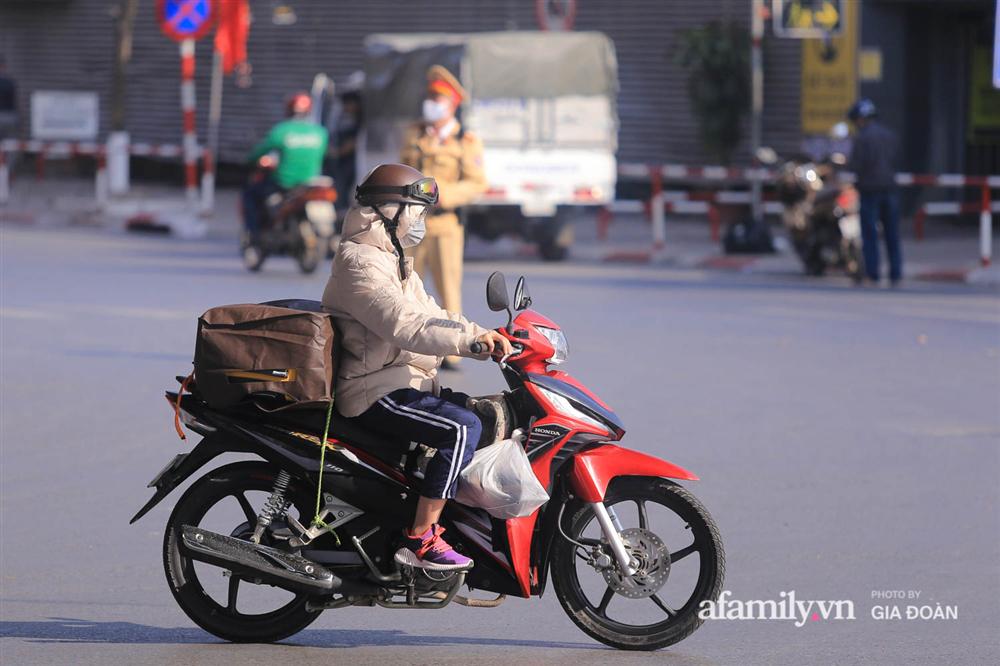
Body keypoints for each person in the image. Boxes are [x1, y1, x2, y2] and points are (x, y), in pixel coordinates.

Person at [321, 163, 512, 571]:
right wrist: (468, 343)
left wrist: (487, 335)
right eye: (416, 211)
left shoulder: (394, 259)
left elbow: (433, 313)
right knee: (462, 429)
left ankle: (439, 519)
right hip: (374, 388)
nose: (421, 222)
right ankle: (419, 539)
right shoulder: (360, 262)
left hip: (406, 380)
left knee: (493, 417)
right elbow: (404, 325)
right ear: (388, 212)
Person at [400, 65, 487, 369]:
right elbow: (402, 170)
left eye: (438, 98)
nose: (431, 103)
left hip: (445, 225)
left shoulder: (465, 141)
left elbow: (477, 182)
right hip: (411, 223)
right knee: (405, 285)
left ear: (452, 105)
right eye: (430, 97)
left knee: (448, 290)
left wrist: (445, 194)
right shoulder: (414, 133)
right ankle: (407, 346)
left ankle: (451, 350)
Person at [243, 92, 328, 244]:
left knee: (250, 194)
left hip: (284, 182)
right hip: (311, 182)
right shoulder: (320, 133)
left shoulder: (282, 131)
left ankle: (255, 235)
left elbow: (260, 151)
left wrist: (250, 160)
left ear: (289, 110)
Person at [848, 98, 902, 285]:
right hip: (889, 188)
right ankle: (896, 273)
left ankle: (873, 273)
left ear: (861, 119)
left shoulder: (862, 138)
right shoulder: (889, 135)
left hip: (870, 190)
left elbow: (856, 164)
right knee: (892, 234)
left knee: (870, 234)